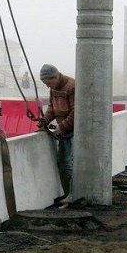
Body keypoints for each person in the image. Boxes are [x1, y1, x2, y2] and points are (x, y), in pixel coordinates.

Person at [37, 63, 75, 196]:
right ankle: (69, 194)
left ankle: (74, 194)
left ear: (55, 77)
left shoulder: (72, 86)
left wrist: (62, 126)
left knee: (71, 163)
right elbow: (52, 108)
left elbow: (76, 112)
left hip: (74, 133)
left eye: (48, 83)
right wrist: (45, 120)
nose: (48, 86)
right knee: (65, 162)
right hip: (64, 132)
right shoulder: (53, 89)